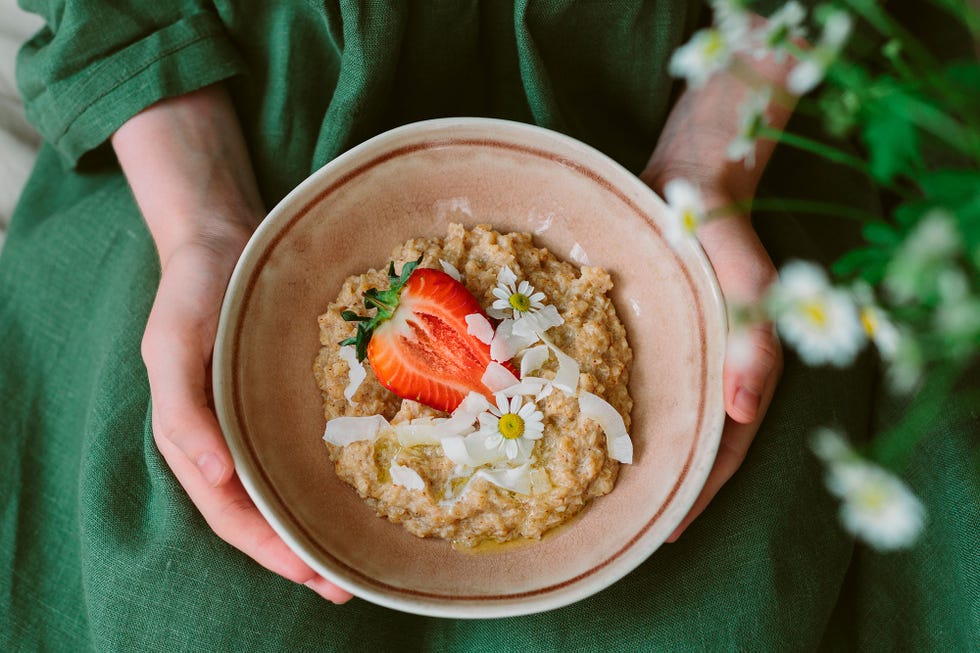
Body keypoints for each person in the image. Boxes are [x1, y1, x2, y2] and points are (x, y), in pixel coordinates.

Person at [1, 2, 974, 650]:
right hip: (240, 120)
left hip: (698, 102)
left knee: (727, 589)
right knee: (183, 594)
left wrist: (712, 164)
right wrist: (204, 226)